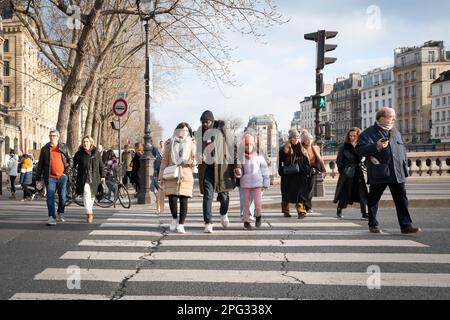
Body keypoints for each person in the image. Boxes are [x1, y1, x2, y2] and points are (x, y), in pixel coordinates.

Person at [356, 107, 421, 234]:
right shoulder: (368, 133)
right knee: (374, 199)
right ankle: (373, 224)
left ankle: (406, 226)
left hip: (397, 172)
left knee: (402, 199)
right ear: (382, 118)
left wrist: (404, 169)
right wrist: (376, 146)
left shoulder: (395, 132)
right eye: (392, 117)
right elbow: (360, 150)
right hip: (380, 172)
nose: (394, 119)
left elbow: (402, 151)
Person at [196, 110, 238, 233]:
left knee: (224, 196)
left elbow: (232, 147)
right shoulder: (200, 133)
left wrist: (237, 166)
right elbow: (197, 150)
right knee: (208, 196)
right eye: (202, 122)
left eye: (206, 122)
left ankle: (224, 214)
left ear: (212, 121)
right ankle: (208, 222)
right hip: (207, 168)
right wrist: (199, 156)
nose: (204, 124)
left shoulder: (222, 129)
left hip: (222, 168)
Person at [159, 123, 197, 233]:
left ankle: (181, 224)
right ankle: (174, 219)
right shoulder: (169, 143)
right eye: (181, 130)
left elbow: (195, 160)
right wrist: (161, 176)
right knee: (172, 198)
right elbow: (164, 161)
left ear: (188, 132)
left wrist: (191, 161)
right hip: (171, 173)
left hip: (186, 174)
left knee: (184, 200)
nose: (183, 132)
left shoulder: (192, 144)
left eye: (185, 130)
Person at [36, 130, 72, 226]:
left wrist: (66, 172)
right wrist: (38, 179)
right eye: (51, 135)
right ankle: (51, 217)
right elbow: (40, 164)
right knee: (50, 197)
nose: (52, 137)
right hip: (50, 177)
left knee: (63, 197)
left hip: (62, 177)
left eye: (54, 136)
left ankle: (61, 213)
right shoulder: (45, 149)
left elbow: (70, 159)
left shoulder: (63, 147)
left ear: (58, 137)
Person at [333, 128, 369, 219]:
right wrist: (343, 171)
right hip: (348, 173)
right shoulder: (344, 147)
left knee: (363, 193)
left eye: (354, 136)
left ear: (358, 136)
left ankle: (365, 213)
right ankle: (339, 209)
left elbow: (367, 159)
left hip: (360, 172)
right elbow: (339, 161)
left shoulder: (363, 146)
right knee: (345, 193)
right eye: (350, 136)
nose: (352, 137)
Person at [237, 133, 269, 230]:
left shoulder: (259, 157)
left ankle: (258, 217)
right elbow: (240, 171)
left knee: (258, 203)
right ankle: (246, 221)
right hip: (245, 183)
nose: (249, 147)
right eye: (246, 145)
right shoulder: (241, 157)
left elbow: (264, 170)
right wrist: (238, 173)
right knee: (246, 204)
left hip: (257, 183)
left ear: (253, 145)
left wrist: (266, 182)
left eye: (250, 144)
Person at [278, 129, 311, 219]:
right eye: (293, 137)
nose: (295, 139)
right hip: (288, 175)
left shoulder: (302, 148)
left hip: (300, 174)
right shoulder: (284, 148)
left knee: (300, 194)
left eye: (297, 137)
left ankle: (301, 211)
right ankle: (285, 211)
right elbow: (279, 162)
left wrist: (307, 170)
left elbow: (306, 161)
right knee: (286, 193)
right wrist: (281, 171)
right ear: (290, 138)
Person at [73, 136, 105, 223]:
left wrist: (103, 176)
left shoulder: (96, 153)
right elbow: (73, 164)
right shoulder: (79, 154)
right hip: (83, 177)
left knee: (92, 196)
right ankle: (89, 214)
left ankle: (89, 212)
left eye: (87, 141)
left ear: (91, 143)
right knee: (86, 193)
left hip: (95, 178)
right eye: (84, 142)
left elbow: (101, 165)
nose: (85, 143)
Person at [300, 129, 326, 214]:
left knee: (310, 189)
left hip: (313, 170)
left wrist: (321, 169)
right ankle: (304, 206)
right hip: (303, 171)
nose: (308, 141)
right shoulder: (301, 148)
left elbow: (320, 159)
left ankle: (308, 206)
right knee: (304, 189)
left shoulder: (316, 148)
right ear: (303, 140)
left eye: (309, 139)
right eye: (306, 139)